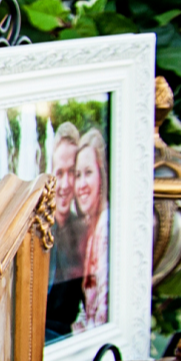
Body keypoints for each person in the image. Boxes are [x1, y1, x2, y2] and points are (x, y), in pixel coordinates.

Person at [44, 122, 86, 339]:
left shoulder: (84, 232)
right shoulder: (33, 231)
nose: (65, 184)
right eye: (59, 173)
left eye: (72, 172)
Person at [72, 127, 109, 332]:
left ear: (102, 175)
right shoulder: (92, 229)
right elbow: (84, 311)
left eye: (88, 173)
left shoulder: (106, 229)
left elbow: (103, 317)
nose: (81, 184)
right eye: (78, 175)